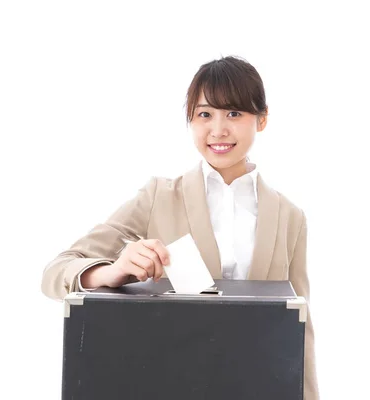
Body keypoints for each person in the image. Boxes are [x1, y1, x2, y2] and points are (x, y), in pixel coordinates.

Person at [41, 55, 319, 399]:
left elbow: (300, 330)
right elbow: (55, 272)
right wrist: (109, 272)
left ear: (261, 120)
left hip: (257, 386)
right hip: (167, 383)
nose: (218, 130)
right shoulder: (158, 197)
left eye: (234, 113)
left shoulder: (290, 217)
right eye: (205, 114)